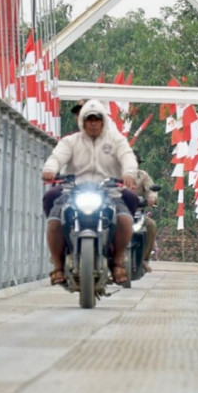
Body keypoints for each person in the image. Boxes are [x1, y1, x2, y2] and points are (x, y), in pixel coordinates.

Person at [42, 99, 139, 285]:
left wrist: (128, 173)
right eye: (89, 119)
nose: (93, 123)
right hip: (73, 191)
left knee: (125, 219)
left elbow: (127, 157)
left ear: (103, 121)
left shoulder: (116, 140)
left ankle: (118, 261)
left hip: (109, 192)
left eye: (97, 119)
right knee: (54, 220)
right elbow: (56, 157)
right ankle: (57, 265)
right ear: (82, 122)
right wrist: (50, 169)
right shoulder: (70, 141)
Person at [133, 154, 159, 273]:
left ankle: (144, 259)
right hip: (116, 213)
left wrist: (152, 198)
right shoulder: (114, 173)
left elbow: (151, 189)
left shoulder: (143, 176)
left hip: (137, 212)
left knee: (151, 225)